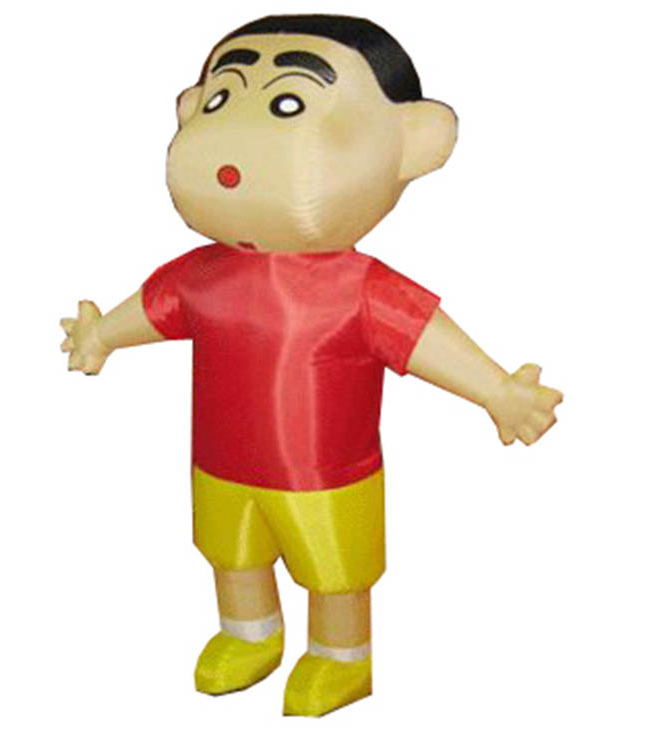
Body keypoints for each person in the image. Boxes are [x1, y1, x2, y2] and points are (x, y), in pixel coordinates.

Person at [60, 14, 563, 716]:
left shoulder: (360, 289)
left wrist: (497, 391)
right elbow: (153, 308)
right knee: (231, 554)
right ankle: (250, 634)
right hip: (220, 461)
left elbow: (422, 337)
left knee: (335, 571)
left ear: (413, 143)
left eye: (288, 103)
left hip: (325, 471)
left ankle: (340, 655)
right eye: (220, 99)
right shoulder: (201, 273)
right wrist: (103, 336)